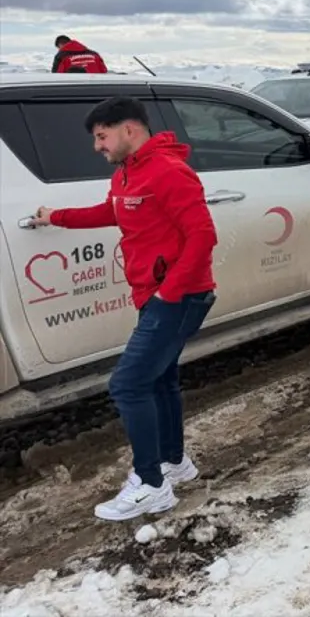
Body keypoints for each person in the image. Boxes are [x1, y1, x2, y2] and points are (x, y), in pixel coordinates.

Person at [32, 97, 218, 521]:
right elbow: (110, 212)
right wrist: (55, 216)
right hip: (156, 295)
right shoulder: (127, 174)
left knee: (127, 385)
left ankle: (151, 483)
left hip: (179, 297)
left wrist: (167, 295)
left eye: (102, 136)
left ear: (129, 130)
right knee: (159, 380)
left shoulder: (169, 172)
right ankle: (174, 462)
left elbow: (203, 237)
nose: (97, 146)